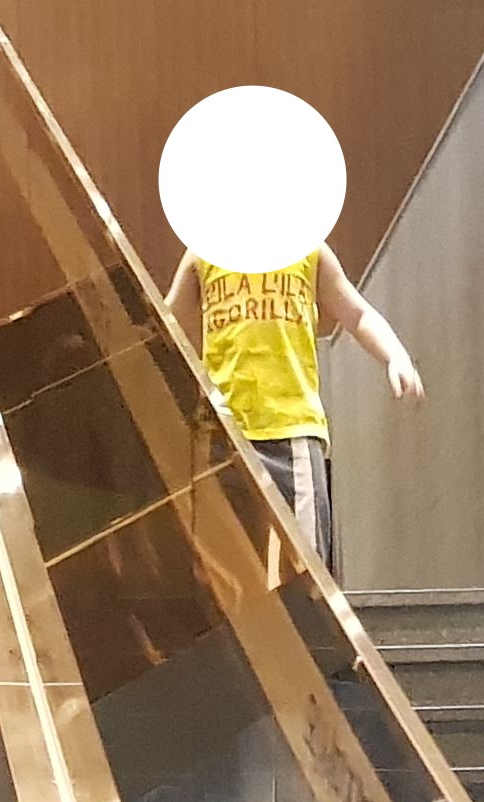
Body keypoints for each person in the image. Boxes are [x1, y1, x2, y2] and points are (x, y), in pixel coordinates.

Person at [169, 243, 422, 574]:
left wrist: (395, 355)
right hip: (221, 434)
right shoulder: (205, 250)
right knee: (223, 572)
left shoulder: (307, 247)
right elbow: (167, 324)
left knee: (305, 566)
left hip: (292, 433)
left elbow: (357, 313)